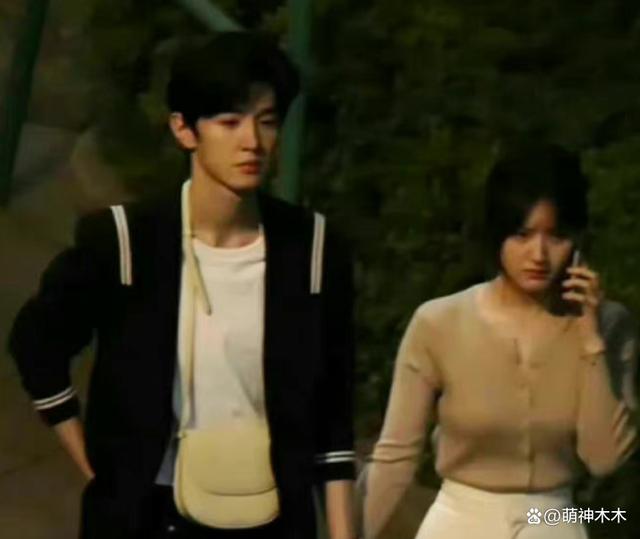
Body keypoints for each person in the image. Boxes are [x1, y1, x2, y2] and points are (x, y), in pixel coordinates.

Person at [9, 32, 356, 539]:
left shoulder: (313, 249)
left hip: (271, 516)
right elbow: (36, 342)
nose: (252, 141)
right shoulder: (126, 242)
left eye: (267, 121)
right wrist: (102, 467)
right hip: (149, 516)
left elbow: (333, 414)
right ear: (184, 129)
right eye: (229, 122)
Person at [362, 145, 638, 539]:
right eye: (522, 235)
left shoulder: (609, 324)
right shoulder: (439, 322)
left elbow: (604, 459)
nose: (538, 254)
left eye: (556, 236)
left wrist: (591, 342)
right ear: (497, 234)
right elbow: (395, 458)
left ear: (578, 241)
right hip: (459, 521)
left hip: (552, 520)